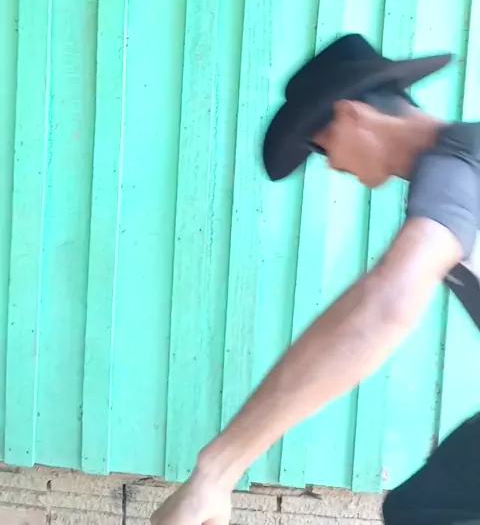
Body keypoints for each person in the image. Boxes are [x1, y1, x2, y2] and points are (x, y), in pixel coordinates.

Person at [151, 33, 480, 525]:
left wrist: (215, 472)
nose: (331, 164)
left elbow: (384, 306)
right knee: (426, 507)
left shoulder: (460, 164)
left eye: (320, 145)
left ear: (351, 114)